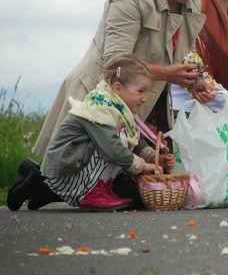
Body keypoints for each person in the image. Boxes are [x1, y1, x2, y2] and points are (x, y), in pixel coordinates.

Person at [33, 0, 219, 158]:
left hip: (142, 105)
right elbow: (115, 64)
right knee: (76, 178)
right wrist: (168, 74)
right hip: (96, 101)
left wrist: (192, 82)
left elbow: (176, 52)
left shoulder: (192, 2)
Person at [8, 55, 175, 212]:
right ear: (118, 88)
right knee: (118, 139)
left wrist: (153, 157)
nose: (144, 98)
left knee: (122, 137)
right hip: (67, 167)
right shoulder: (99, 109)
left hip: (75, 165)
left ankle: (43, 189)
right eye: (140, 91)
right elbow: (113, 148)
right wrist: (142, 166)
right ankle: (89, 192)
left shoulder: (115, 107)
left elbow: (134, 138)